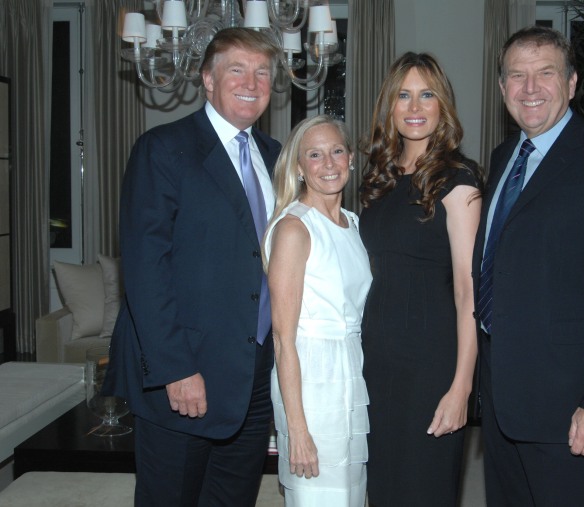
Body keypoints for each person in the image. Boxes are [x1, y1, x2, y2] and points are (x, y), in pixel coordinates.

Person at [472, 26, 584, 506]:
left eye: (545, 73)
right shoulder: (502, 158)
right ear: (502, 89)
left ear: (571, 83)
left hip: (569, 409)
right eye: (517, 76)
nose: (530, 88)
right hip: (501, 401)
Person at [103, 28, 281, 506]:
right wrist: (175, 370)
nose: (251, 81)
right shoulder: (163, 149)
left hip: (253, 376)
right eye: (236, 69)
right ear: (207, 78)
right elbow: (145, 269)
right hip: (185, 374)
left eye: (262, 71)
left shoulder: (275, 156)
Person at [359, 52, 483, 507]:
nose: (415, 107)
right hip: (375, 359)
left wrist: (461, 387)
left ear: (442, 105)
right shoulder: (379, 178)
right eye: (404, 95)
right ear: (389, 107)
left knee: (422, 490)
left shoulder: (459, 181)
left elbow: (469, 290)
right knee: (382, 489)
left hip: (429, 363)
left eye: (426, 94)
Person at [263, 114, 372, 506]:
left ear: (352, 158)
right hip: (309, 381)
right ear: (299, 167)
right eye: (315, 154)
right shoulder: (295, 228)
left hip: (349, 373)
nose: (329, 164)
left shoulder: (353, 223)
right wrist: (297, 430)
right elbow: (282, 339)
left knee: (348, 497)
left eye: (337, 151)